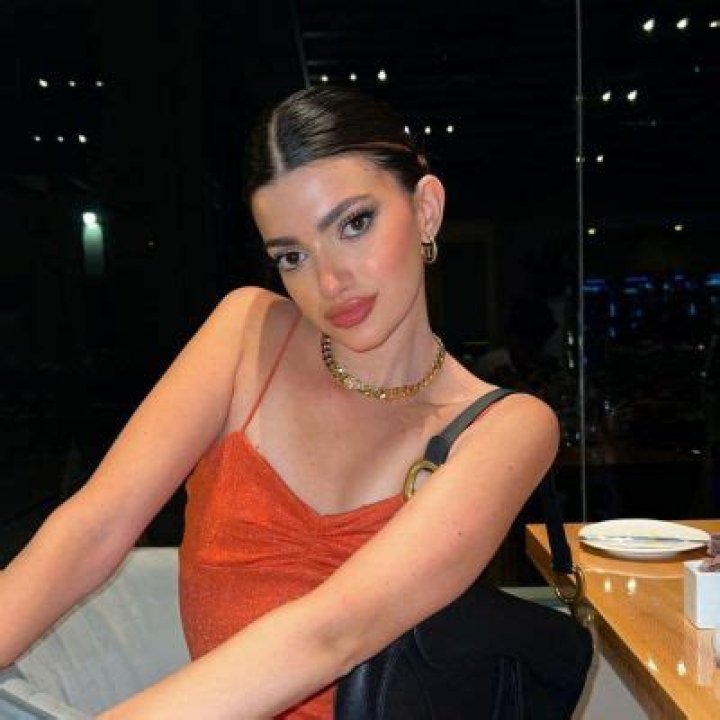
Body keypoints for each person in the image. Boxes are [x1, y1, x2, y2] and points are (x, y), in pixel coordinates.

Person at [0, 86, 559, 719]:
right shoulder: (247, 335)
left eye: (354, 224)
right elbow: (94, 528)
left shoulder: (506, 428)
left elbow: (334, 631)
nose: (329, 281)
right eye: (292, 255)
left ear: (425, 209)